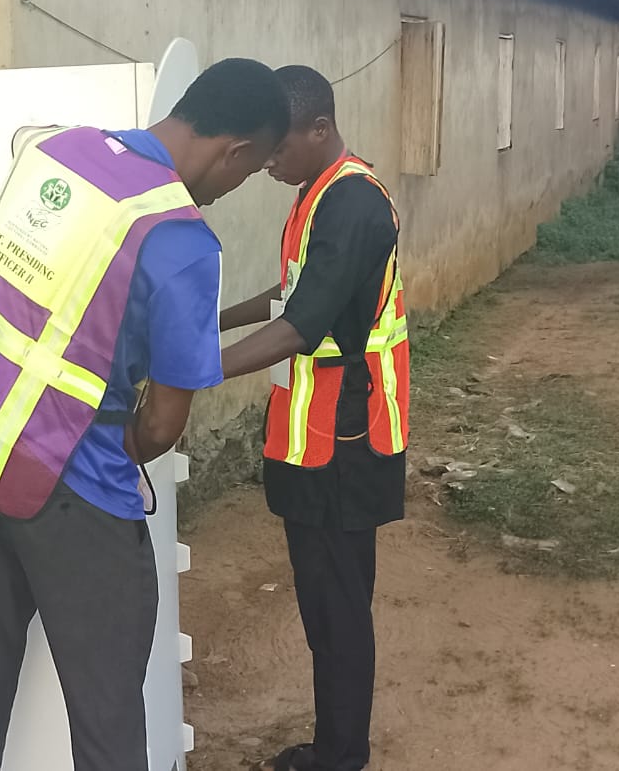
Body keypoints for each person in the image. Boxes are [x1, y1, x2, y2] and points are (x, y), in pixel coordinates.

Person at [0, 59, 292, 771]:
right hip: (74, 493)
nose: (236, 187)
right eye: (251, 170)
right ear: (235, 151)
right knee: (109, 724)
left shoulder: (55, 154)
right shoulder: (182, 243)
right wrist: (122, 439)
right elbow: (162, 426)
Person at [218, 66, 408, 771]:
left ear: (319, 130)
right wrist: (213, 322)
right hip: (315, 433)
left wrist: (200, 367)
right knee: (326, 605)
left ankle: (340, 755)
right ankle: (337, 745)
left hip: (347, 438)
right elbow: (292, 289)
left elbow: (301, 321)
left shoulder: (354, 205)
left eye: (277, 148)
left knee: (337, 610)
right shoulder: (318, 195)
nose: (267, 161)